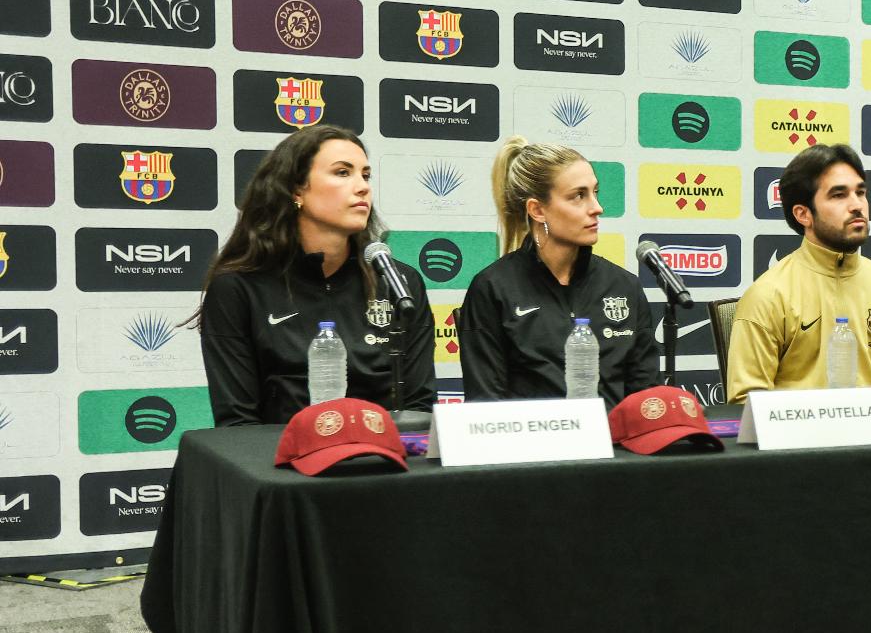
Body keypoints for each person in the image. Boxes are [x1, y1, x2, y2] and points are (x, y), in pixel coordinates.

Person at [194, 125, 434, 426]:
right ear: (296, 190)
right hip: (279, 466)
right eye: (342, 173)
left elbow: (420, 408)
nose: (362, 187)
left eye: (366, 175)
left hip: (382, 464)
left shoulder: (400, 283)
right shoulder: (238, 288)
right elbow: (237, 425)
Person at [459, 138, 658, 408]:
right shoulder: (493, 288)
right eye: (579, 196)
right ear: (537, 210)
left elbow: (646, 400)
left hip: (618, 447)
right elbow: (485, 406)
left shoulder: (624, 286)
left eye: (595, 192)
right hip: (532, 447)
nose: (596, 207)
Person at [725, 143, 871, 401]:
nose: (857, 205)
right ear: (803, 214)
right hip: (799, 439)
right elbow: (747, 403)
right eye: (838, 195)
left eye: (860, 192)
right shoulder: (768, 295)